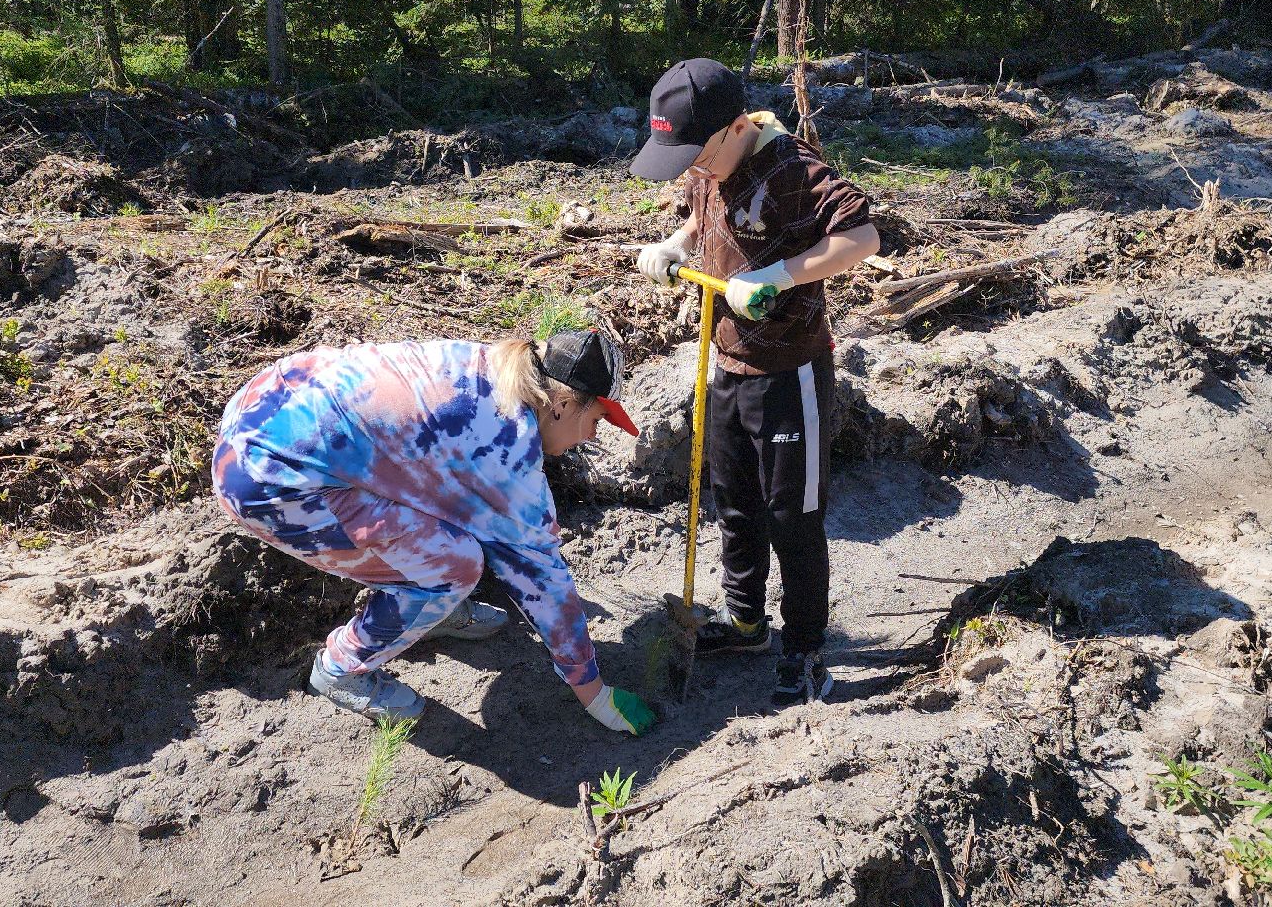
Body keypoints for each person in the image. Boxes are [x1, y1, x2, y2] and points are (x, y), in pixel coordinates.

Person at [212, 328, 657, 735]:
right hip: (268, 479)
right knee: (451, 567)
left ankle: (430, 609)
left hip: (262, 406)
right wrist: (593, 690)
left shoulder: (490, 366)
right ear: (561, 404)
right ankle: (342, 667)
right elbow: (541, 577)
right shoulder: (504, 449)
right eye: (598, 420)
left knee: (448, 512)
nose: (594, 436)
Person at [630, 58, 880, 705]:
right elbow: (700, 215)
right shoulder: (708, 165)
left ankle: (804, 650)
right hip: (728, 365)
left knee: (791, 519)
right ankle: (745, 622)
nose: (691, 167)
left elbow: (862, 237)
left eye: (696, 152)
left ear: (738, 125)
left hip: (789, 374)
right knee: (734, 505)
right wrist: (677, 245)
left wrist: (781, 276)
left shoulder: (793, 169)